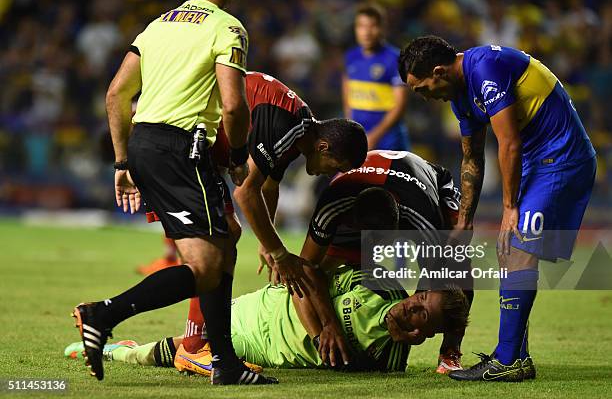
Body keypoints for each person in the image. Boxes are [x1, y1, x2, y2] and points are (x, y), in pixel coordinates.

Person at [72, 0, 280, 385]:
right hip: (182, 148)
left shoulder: (157, 25)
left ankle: (225, 363)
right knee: (205, 266)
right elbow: (235, 105)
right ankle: (103, 314)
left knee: (226, 239)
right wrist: (238, 157)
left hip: (146, 144)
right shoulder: (228, 28)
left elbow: (116, 94)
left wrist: (122, 162)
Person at [65, 194, 470, 374]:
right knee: (202, 293)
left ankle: (120, 349)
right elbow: (310, 275)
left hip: (262, 350)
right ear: (418, 291)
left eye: (423, 325)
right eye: (420, 303)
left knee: (171, 354)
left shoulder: (387, 363)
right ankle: (109, 320)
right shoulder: (379, 284)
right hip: (261, 308)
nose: (412, 317)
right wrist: (323, 328)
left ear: (426, 338)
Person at [139, 71, 367, 372]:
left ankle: (189, 341)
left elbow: (267, 186)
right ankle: (192, 346)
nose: (328, 174)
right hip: (180, 143)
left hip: (192, 145)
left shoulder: (299, 130)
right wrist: (279, 253)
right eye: (334, 167)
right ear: (323, 147)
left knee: (225, 237)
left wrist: (265, 238)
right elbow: (246, 193)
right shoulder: (288, 129)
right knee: (214, 244)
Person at [398, 36, 596, 381]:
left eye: (421, 88)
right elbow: (472, 156)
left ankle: (508, 361)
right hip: (540, 161)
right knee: (509, 253)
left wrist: (509, 207)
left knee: (517, 247)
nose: (425, 97)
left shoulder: (485, 68)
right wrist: (465, 219)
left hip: (561, 158)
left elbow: (509, 143)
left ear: (438, 71)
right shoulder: (460, 95)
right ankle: (515, 354)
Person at [298, 150, 473, 374]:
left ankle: (450, 352)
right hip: (366, 193)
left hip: (426, 185)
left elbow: (434, 283)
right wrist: (326, 326)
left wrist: (416, 328)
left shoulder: (424, 222)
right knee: (314, 269)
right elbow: (305, 269)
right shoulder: (332, 205)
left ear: (397, 227)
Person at [342, 3, 410, 151]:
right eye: (361, 26)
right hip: (359, 135)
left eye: (372, 26)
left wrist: (375, 136)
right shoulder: (351, 56)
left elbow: (400, 105)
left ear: (382, 28)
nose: (366, 32)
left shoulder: (395, 59)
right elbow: (348, 95)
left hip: (389, 138)